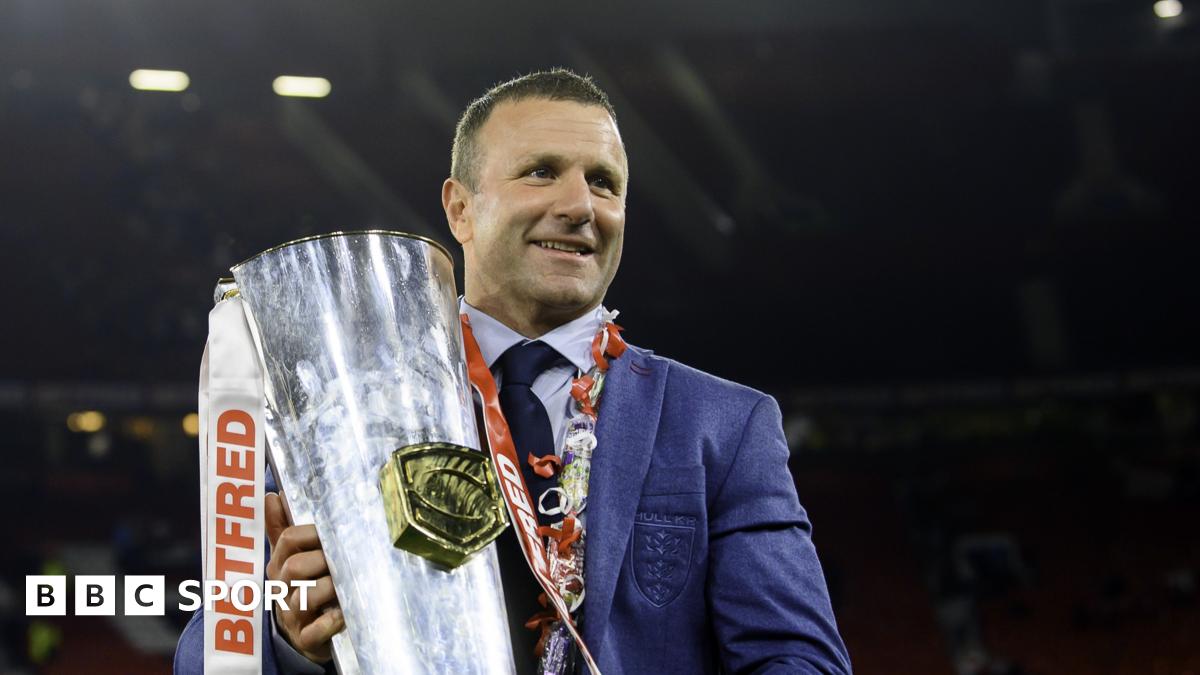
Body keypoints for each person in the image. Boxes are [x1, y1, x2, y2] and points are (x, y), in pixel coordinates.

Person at [175, 68, 851, 674]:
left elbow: (799, 659)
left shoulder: (722, 425)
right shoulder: (331, 410)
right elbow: (209, 652)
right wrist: (292, 640)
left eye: (603, 183)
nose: (580, 205)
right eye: (540, 171)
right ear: (459, 208)